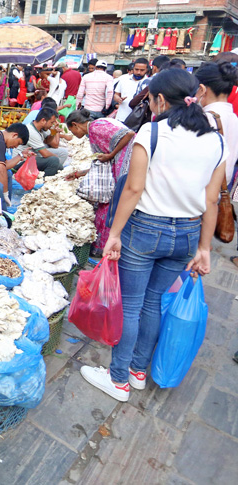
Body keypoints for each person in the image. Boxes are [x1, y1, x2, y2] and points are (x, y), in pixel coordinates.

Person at [81, 68, 225, 402]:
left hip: (146, 230)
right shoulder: (216, 140)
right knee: (154, 301)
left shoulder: (152, 133)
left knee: (131, 306)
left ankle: (117, 380)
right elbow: (211, 200)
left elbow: (133, 189)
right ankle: (138, 371)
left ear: (159, 100)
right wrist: (204, 248)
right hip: (187, 234)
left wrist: (113, 234)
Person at [66, 109, 136, 256]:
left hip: (123, 166)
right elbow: (101, 161)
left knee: (107, 207)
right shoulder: (95, 128)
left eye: (73, 132)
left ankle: (103, 248)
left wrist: (112, 154)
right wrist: (79, 174)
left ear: (76, 125)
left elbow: (128, 134)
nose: (75, 136)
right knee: (107, 205)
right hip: (118, 167)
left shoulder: (96, 127)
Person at [194, 61, 238, 262]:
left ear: (202, 88)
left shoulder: (207, 118)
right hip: (221, 189)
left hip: (200, 191)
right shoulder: (234, 117)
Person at [15, 107, 62, 176]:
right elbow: (45, 153)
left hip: (31, 158)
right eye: (51, 123)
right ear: (43, 120)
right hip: (21, 163)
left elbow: (47, 141)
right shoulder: (31, 131)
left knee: (59, 166)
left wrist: (53, 133)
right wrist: (57, 157)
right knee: (54, 161)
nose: (51, 125)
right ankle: (45, 181)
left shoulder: (41, 128)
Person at [113, 58, 150, 123]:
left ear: (146, 70)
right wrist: (118, 99)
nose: (138, 72)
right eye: (136, 69)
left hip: (138, 121)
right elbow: (116, 95)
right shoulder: (123, 79)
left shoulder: (148, 83)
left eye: (142, 70)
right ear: (133, 68)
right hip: (121, 118)